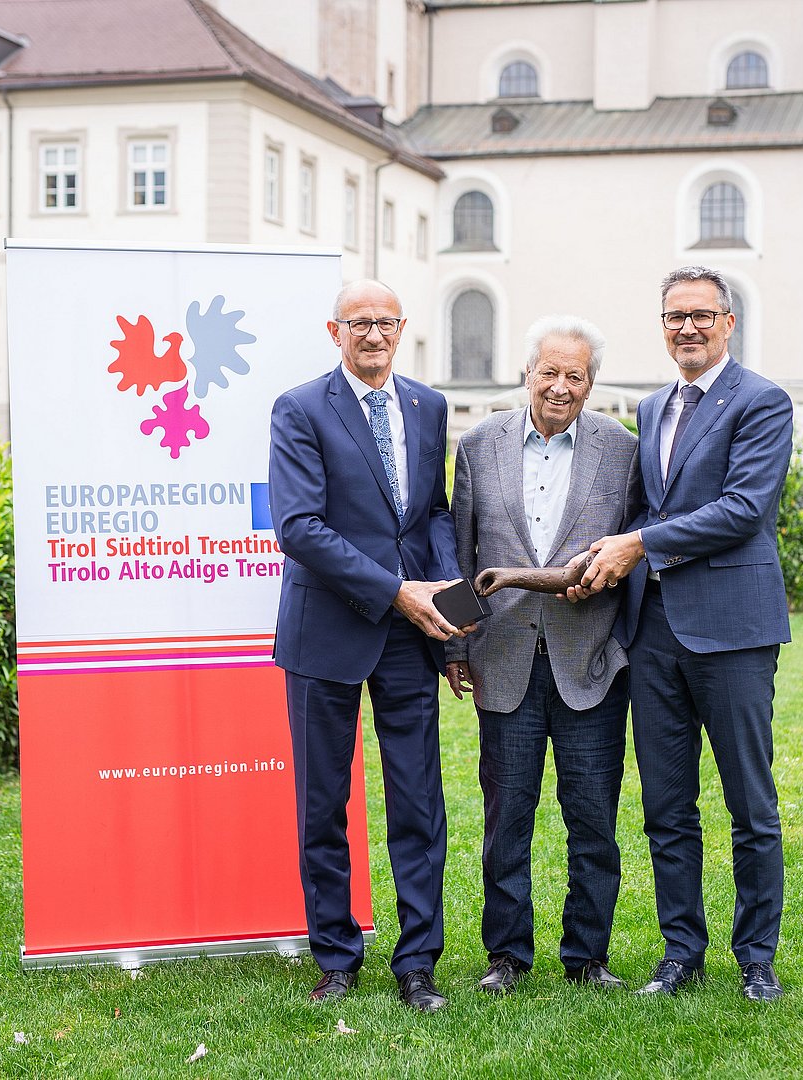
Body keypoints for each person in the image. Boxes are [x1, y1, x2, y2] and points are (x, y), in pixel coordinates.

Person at [577, 266, 794, 1003]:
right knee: (666, 808)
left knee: (750, 806)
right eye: (675, 316)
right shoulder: (652, 406)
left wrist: (638, 544)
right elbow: (650, 504)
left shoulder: (761, 401)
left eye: (702, 315)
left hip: (733, 630)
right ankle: (681, 954)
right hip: (655, 631)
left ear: (728, 322)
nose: (688, 328)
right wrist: (597, 559)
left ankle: (756, 957)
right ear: (663, 325)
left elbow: (743, 509)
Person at [269, 279, 465, 1013]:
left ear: (402, 328)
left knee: (418, 801)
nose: (374, 335)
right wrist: (395, 590)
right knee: (323, 805)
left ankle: (418, 963)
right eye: (359, 324)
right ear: (335, 332)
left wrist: (450, 607)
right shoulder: (300, 408)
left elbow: (433, 515)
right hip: (326, 630)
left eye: (385, 322)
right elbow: (300, 527)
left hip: (410, 635)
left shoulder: (427, 405)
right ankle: (336, 957)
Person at [444, 315, 640, 995]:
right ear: (526, 373)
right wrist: (455, 644)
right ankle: (506, 956)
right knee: (507, 820)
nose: (560, 386)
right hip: (503, 661)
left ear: (591, 383)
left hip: (591, 664)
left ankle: (588, 956)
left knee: (594, 820)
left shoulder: (622, 450)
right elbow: (460, 554)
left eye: (575, 376)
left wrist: (623, 638)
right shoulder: (478, 446)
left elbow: (636, 553)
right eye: (549, 372)